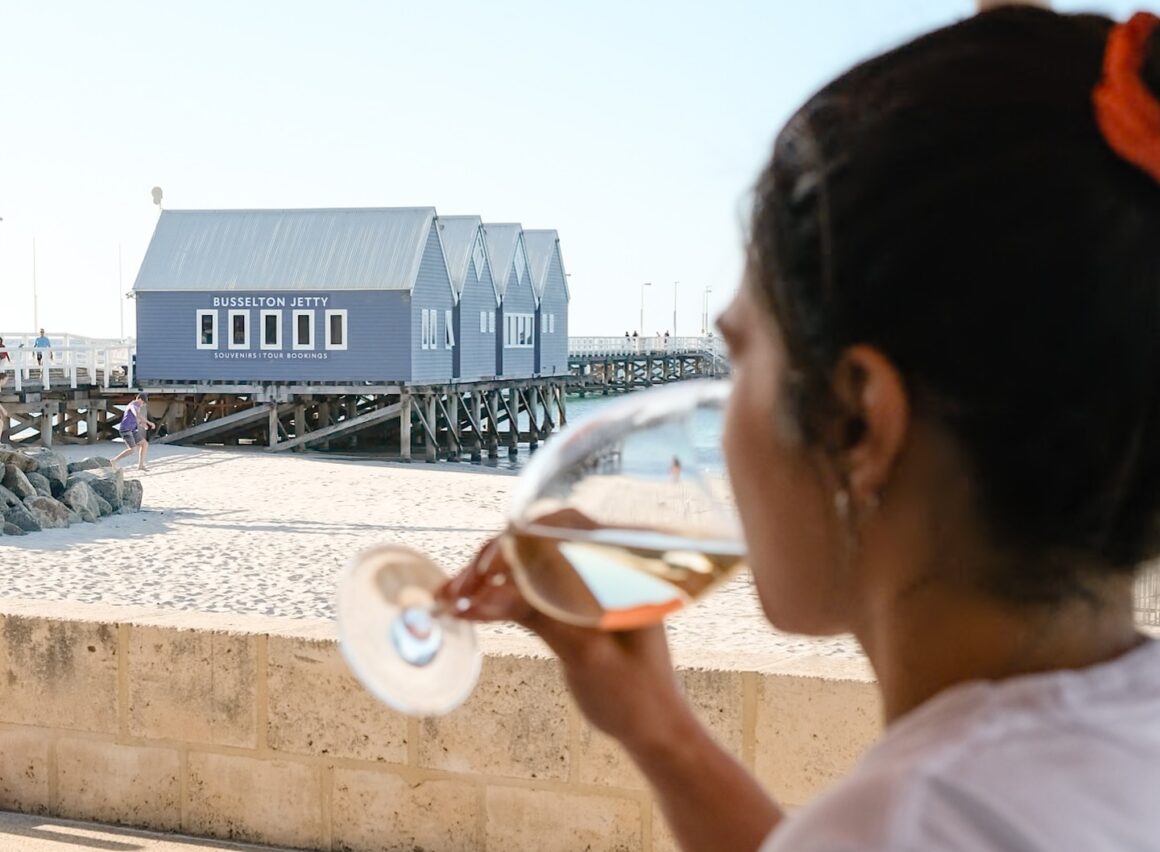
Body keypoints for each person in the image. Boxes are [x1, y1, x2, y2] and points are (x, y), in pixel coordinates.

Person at [439, 8, 1160, 851]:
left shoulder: (912, 819)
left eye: (738, 359)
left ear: (856, 422)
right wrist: (659, 732)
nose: (719, 407)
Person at [111, 393, 155, 471]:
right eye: (143, 402)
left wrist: (143, 424)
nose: (143, 404)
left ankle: (141, 465)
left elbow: (136, 419)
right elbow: (136, 414)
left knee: (144, 444)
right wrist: (149, 422)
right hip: (125, 429)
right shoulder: (133, 404)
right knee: (133, 449)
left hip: (132, 430)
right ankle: (114, 460)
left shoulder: (137, 407)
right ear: (140, 399)